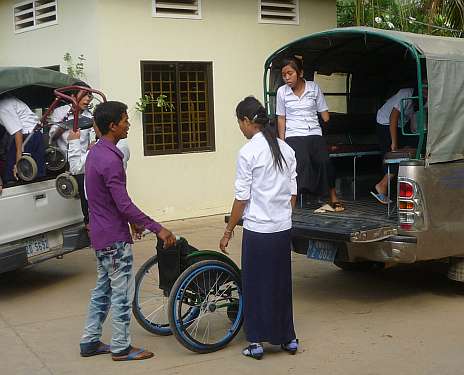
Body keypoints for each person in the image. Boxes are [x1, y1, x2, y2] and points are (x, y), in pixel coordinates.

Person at [80, 101, 176, 361]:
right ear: (112, 126)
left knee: (103, 290)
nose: (128, 124)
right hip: (113, 238)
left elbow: (109, 200)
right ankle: (121, 347)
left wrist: (132, 221)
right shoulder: (111, 159)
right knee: (122, 293)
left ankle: (89, 341)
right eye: (124, 120)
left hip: (101, 235)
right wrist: (159, 228)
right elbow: (123, 203)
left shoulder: (95, 153)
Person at [220, 96, 298, 360]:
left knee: (254, 285)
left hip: (258, 230)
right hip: (281, 227)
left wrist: (228, 230)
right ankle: (288, 338)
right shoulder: (286, 150)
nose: (240, 128)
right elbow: (293, 193)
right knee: (280, 284)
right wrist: (283, 215)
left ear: (245, 121)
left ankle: (255, 342)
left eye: (239, 123)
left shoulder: (248, 152)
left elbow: (241, 198)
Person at [276, 57, 344, 211]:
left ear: (300, 73)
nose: (287, 78)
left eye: (290, 73)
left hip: (314, 132)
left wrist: (328, 127)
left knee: (324, 161)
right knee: (303, 160)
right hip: (293, 134)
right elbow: (281, 118)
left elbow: (324, 115)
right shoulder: (282, 92)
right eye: (284, 75)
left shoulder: (313, 88)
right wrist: (282, 143)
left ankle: (333, 196)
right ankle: (302, 197)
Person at [370, 82, 427, 204]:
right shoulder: (406, 93)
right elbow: (393, 118)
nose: (426, 90)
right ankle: (382, 186)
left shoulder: (425, 99)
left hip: (402, 125)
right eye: (424, 87)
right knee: (394, 154)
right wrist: (394, 143)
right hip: (385, 123)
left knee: (409, 149)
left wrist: (415, 135)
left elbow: (414, 120)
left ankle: (389, 185)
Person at [50, 85, 93, 227]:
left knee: (88, 188)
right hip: (66, 159)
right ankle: (89, 224)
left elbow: (90, 139)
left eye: (89, 96)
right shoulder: (60, 112)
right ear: (73, 96)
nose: (87, 99)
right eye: (85, 95)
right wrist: (67, 121)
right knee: (83, 184)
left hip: (83, 159)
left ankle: (90, 223)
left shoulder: (88, 116)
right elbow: (52, 137)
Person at [0, 95, 45, 185]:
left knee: (12, 174)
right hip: (36, 134)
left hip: (27, 137)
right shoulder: (9, 99)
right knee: (36, 175)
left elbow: (18, 133)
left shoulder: (2, 107)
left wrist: (18, 162)